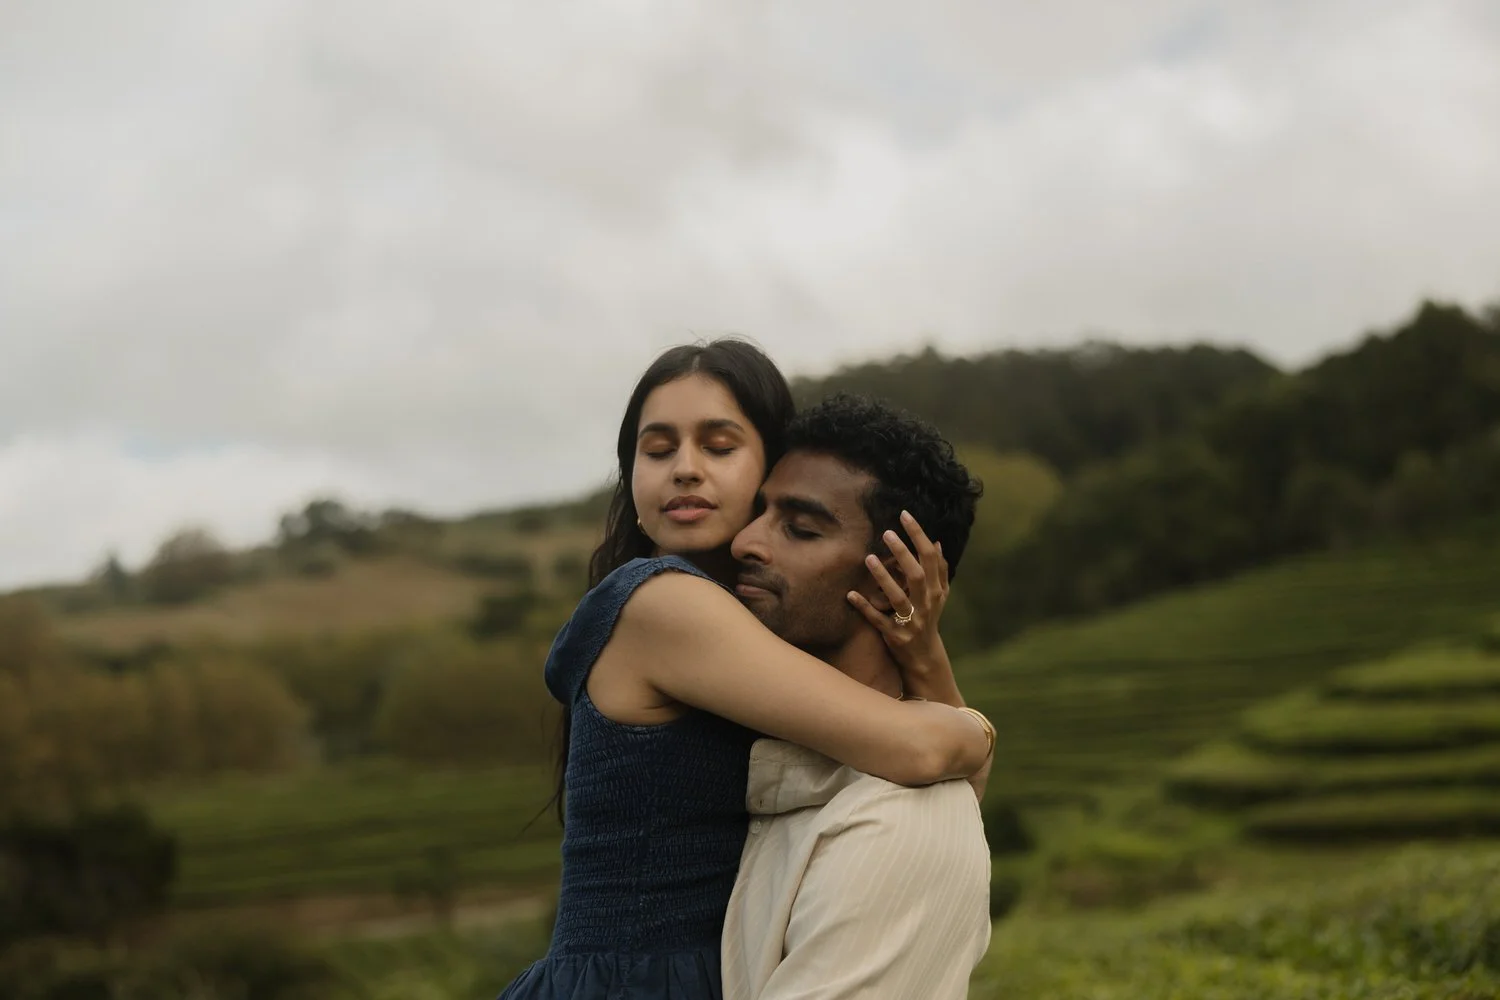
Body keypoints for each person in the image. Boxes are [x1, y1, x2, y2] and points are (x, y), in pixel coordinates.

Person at [497, 340, 993, 1000]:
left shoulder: (755, 628)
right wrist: (976, 729)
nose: (685, 469)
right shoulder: (661, 601)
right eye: (657, 448)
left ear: (770, 464)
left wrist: (921, 650)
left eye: (719, 445)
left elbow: (944, 795)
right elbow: (923, 752)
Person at [721, 393, 993, 1000]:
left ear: (895, 575)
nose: (745, 542)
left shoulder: (901, 826)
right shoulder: (751, 759)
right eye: (758, 513)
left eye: (800, 528)